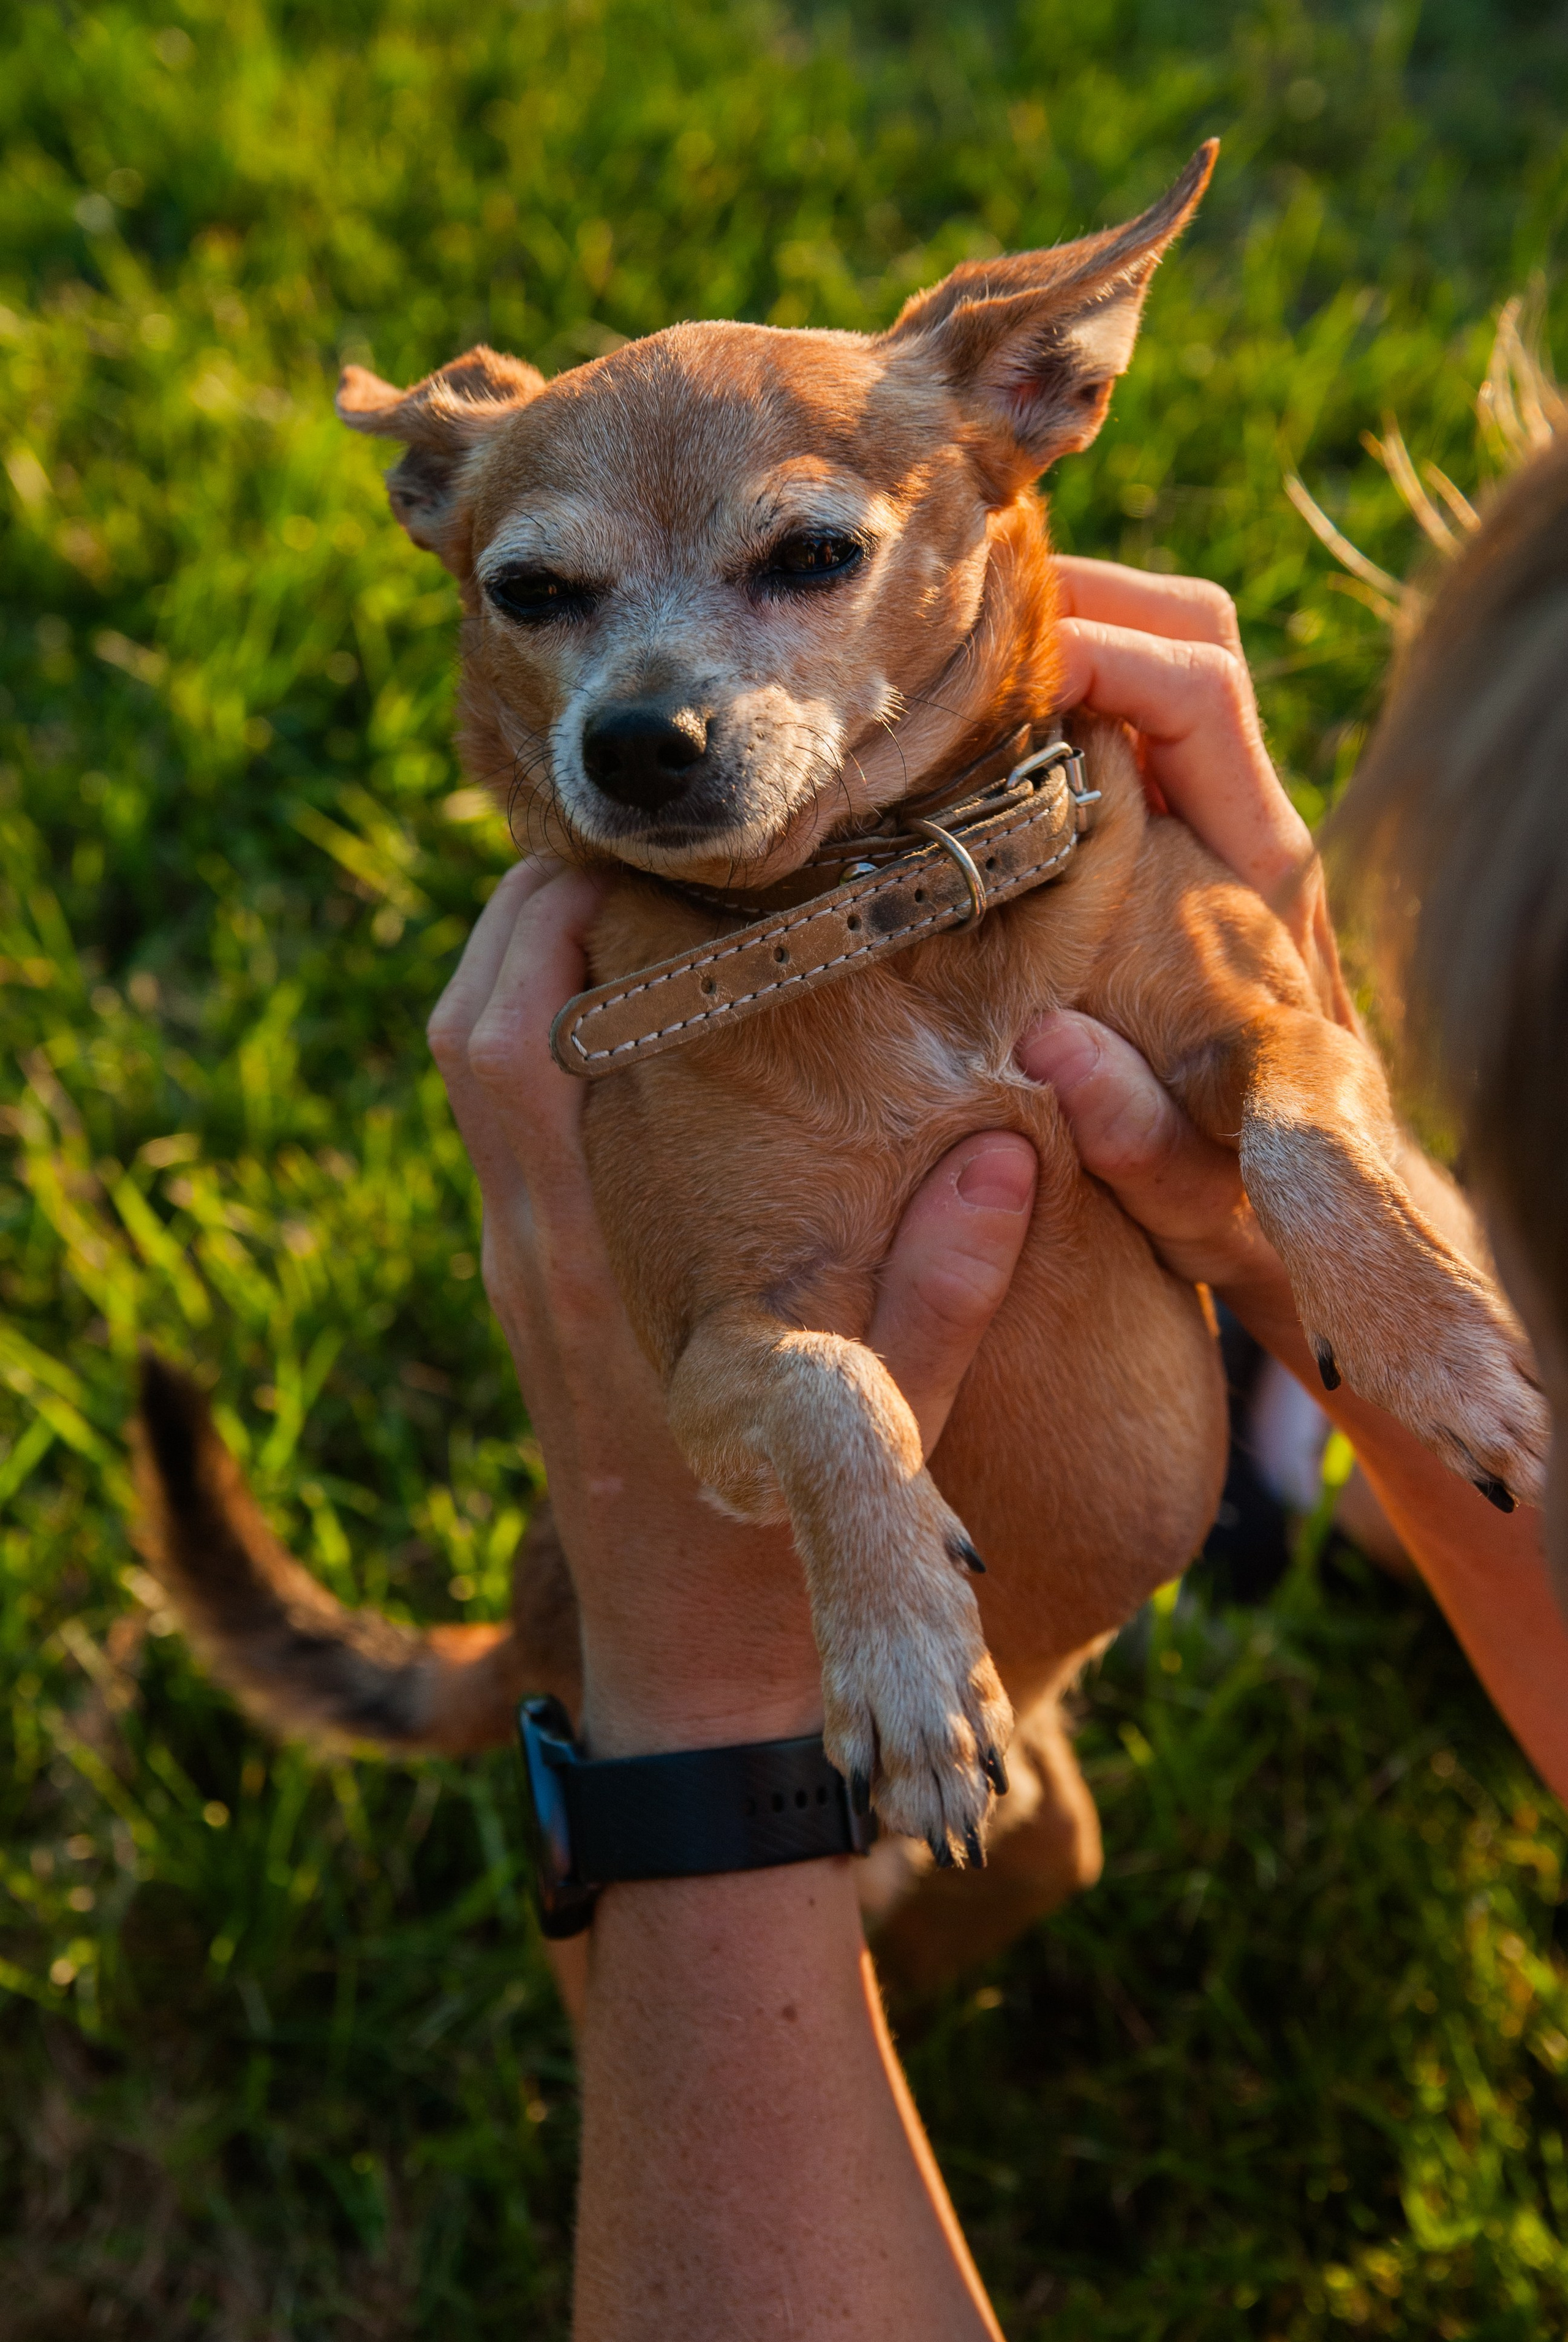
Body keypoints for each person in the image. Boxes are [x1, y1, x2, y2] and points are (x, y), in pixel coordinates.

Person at [426, 454, 1568, 2337]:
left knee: (1025, 1846)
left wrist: (697, 1707)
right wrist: (1312, 1242)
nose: (654, 695)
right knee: (1035, 1855)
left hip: (867, 1695)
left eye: (803, 556)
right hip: (914, 1654)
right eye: (550, 593)